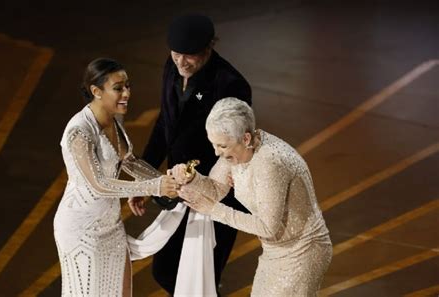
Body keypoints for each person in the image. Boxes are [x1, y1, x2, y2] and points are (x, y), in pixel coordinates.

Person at [130, 13, 252, 295]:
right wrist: (146, 181)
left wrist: (204, 189)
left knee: (200, 278)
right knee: (167, 272)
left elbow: (233, 151)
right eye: (176, 54)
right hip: (180, 188)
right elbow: (166, 124)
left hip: (216, 195)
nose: (182, 62)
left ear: (209, 47)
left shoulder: (230, 85)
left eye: (190, 56)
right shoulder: (172, 69)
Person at [172, 98, 333, 296]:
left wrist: (213, 210)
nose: (216, 152)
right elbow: (215, 189)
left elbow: (267, 226)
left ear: (246, 138)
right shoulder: (237, 151)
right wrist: (192, 177)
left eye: (222, 146)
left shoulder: (269, 162)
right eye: (213, 144)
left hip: (303, 250)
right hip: (274, 250)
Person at [53, 58, 178, 297]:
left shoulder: (113, 121)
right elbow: (99, 185)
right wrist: (157, 186)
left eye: (128, 86)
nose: (127, 93)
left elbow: (130, 162)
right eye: (118, 88)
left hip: (111, 226)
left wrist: (168, 182)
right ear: (96, 91)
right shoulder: (79, 130)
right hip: (81, 230)